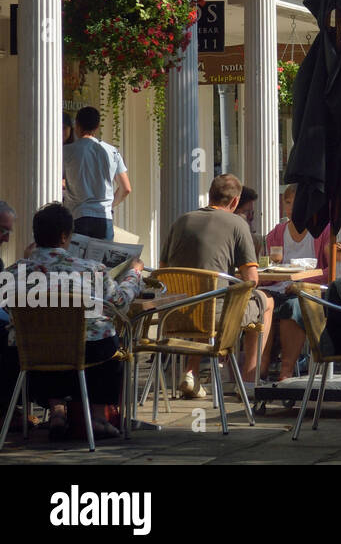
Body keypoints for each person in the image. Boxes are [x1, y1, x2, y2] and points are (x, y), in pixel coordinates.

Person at [3, 203, 143, 439]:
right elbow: (119, 302)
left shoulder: (13, 273)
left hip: (31, 354)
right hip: (88, 351)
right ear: (65, 236)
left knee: (45, 344)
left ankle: (57, 411)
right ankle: (97, 417)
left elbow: (6, 306)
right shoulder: (90, 269)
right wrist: (134, 273)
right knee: (107, 342)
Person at [160, 174, 271, 393]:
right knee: (266, 302)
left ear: (210, 195)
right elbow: (251, 280)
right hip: (215, 315)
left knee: (203, 298)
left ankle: (191, 373)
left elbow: (162, 271)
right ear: (235, 202)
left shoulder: (180, 221)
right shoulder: (237, 224)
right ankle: (248, 380)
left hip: (174, 313)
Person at [260, 185, 328, 382]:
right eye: (287, 202)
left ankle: (286, 371)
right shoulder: (277, 232)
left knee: (292, 306)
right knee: (260, 302)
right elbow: (269, 265)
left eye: (295, 203)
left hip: (309, 291)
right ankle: (259, 367)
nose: (290, 207)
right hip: (276, 287)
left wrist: (301, 282)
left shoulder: (322, 230)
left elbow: (330, 272)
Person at [62, 107, 131, 241]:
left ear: (77, 125)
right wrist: (109, 205)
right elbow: (126, 188)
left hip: (78, 216)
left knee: (78, 261)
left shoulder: (67, 151)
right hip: (104, 218)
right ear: (97, 126)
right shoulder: (112, 152)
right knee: (101, 261)